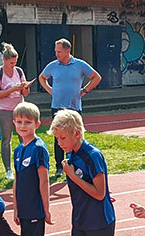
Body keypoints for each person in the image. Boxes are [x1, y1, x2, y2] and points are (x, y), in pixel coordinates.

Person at [1, 102, 55, 236]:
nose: (23, 125)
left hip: (35, 209)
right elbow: (17, 181)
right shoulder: (17, 150)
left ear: (37, 124)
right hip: (23, 209)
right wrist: (15, 207)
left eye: (28, 122)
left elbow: (44, 181)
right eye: (20, 122)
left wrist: (46, 209)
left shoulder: (39, 148)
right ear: (14, 123)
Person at [39, 38, 102, 178]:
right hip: (57, 106)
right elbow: (42, 77)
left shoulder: (79, 64)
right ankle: (59, 167)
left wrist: (84, 91)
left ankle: (76, 163)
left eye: (59, 51)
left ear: (68, 51)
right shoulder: (53, 65)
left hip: (74, 107)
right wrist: (50, 90)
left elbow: (96, 77)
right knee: (58, 137)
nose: (56, 54)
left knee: (75, 137)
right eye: (56, 51)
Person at [0, 42, 31, 180]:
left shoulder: (19, 71)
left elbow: (25, 93)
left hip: (19, 108)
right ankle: (8, 170)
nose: (13, 65)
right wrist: (12, 89)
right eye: (11, 63)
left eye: (15, 62)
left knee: (24, 137)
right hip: (4, 109)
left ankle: (24, 165)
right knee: (6, 139)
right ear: (4, 60)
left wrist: (25, 88)